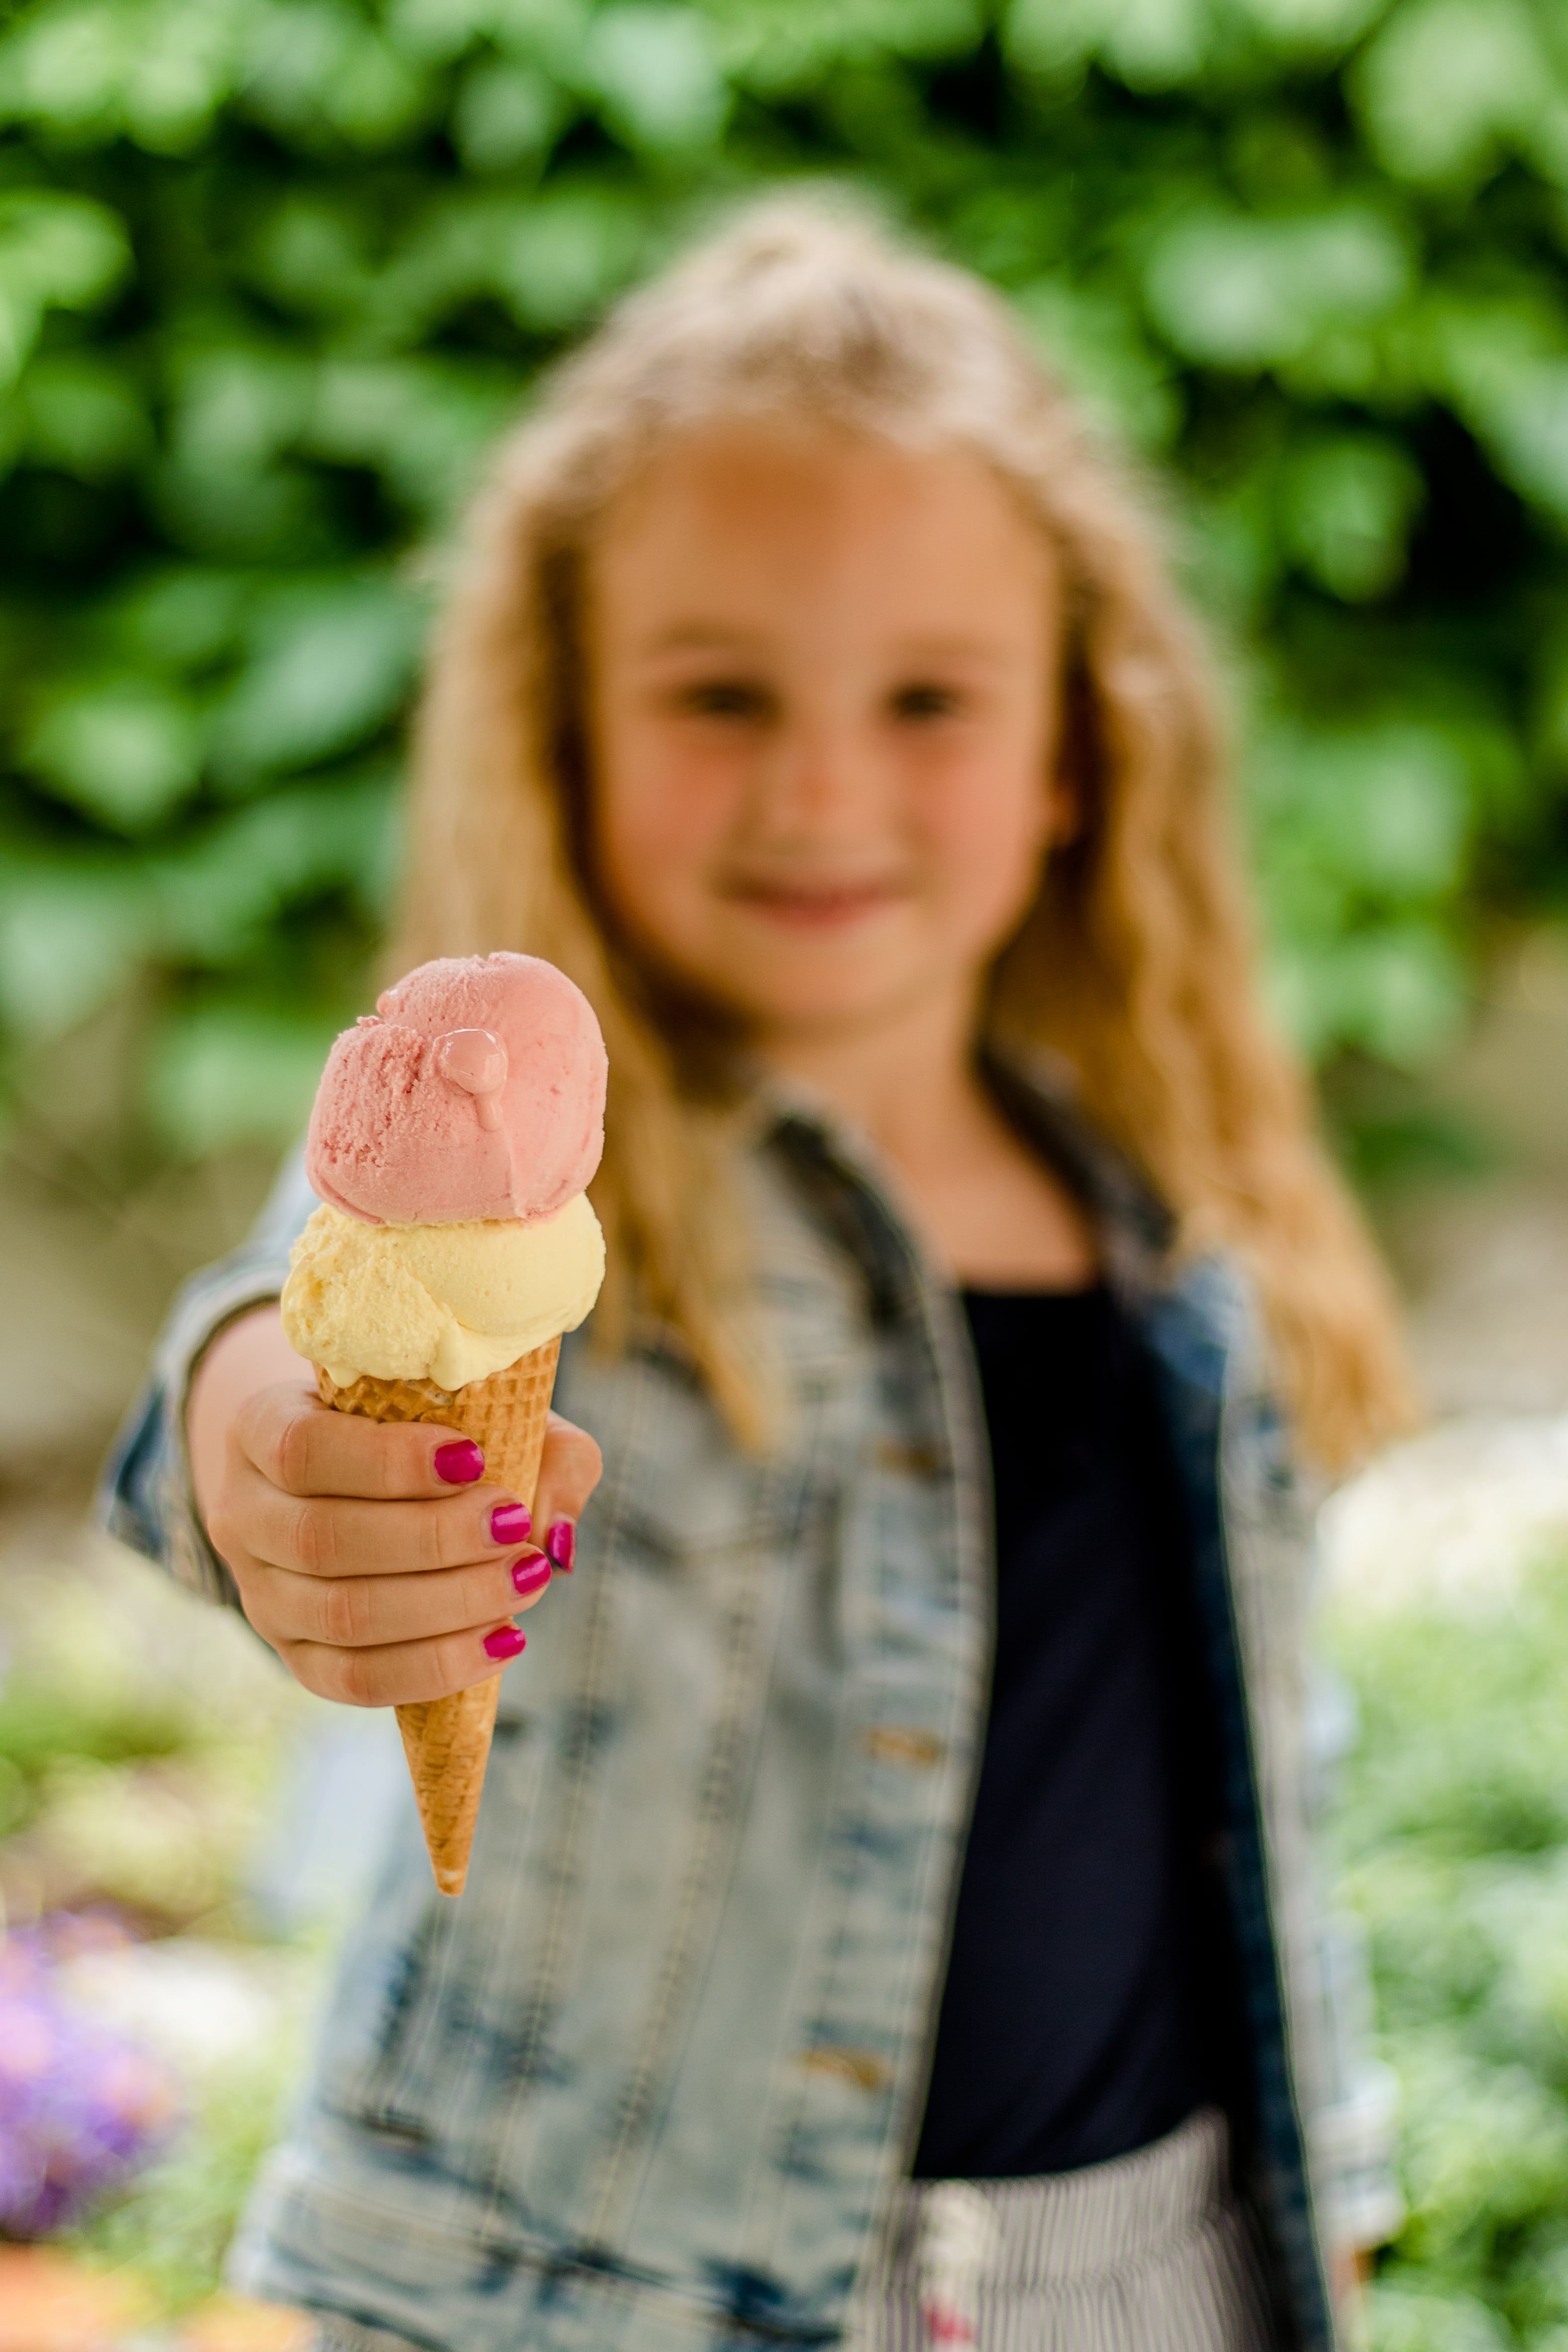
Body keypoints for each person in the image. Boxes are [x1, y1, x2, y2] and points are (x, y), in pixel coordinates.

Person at [106, 197, 1412, 2352]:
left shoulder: (1164, 1221)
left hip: (1159, 2267)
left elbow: (1258, 1767)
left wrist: (1325, 2182)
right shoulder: (529, 1192)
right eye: (718, 691)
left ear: (1073, 749)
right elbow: (255, 1350)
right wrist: (269, 1452)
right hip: (602, 2298)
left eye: (927, 699)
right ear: (567, 726)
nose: (822, 786)